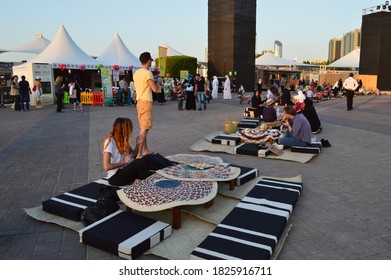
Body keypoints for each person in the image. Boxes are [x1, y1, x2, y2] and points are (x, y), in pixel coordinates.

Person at [103, 117, 174, 186]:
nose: (132, 130)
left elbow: (133, 156)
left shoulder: (123, 140)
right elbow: (107, 167)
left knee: (148, 157)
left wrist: (137, 145)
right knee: (138, 162)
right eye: (130, 128)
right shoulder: (109, 142)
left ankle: (169, 168)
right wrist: (123, 163)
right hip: (115, 178)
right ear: (123, 130)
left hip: (125, 170)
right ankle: (151, 179)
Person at [133, 52, 158, 158]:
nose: (151, 62)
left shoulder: (136, 73)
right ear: (148, 60)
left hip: (139, 102)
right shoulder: (147, 73)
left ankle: (145, 150)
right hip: (146, 101)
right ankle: (138, 153)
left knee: (143, 127)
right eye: (151, 60)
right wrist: (159, 84)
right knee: (144, 129)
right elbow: (155, 89)